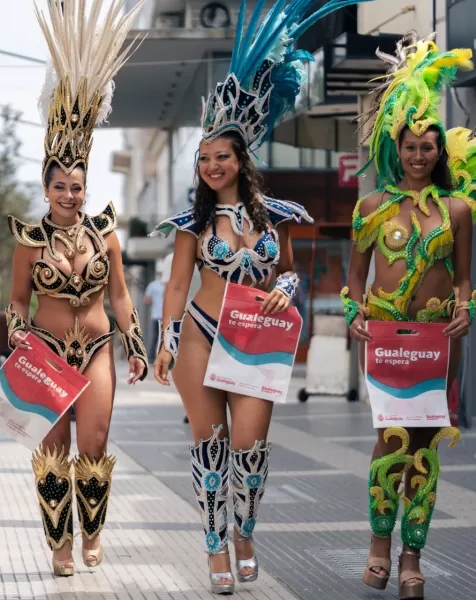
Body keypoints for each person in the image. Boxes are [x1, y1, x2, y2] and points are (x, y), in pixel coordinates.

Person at [149, 1, 373, 594]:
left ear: (241, 158)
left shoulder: (280, 217)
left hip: (256, 343)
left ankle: (245, 531)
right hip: (201, 333)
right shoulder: (191, 226)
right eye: (203, 158)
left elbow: (291, 274)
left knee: (251, 448)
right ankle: (215, 547)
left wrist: (288, 293)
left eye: (221, 155)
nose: (211, 164)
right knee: (210, 445)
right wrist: (167, 342)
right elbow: (176, 286)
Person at [6, 0, 148, 578]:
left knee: (94, 443)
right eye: (61, 186)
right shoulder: (27, 238)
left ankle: (93, 535)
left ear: (87, 188)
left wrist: (135, 343)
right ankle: (59, 547)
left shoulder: (105, 234)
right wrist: (17, 333)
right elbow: (17, 299)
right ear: (46, 188)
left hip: (95, 352)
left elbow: (117, 296)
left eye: (77, 186)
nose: (70, 194)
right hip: (44, 352)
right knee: (52, 452)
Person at [342, 33, 474, 599]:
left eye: (429, 148)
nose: (420, 156)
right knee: (388, 440)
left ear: (441, 153)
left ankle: (412, 555)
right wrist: (354, 312)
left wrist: (466, 309)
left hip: (440, 341)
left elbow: (465, 277)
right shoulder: (371, 207)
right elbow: (355, 275)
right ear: (397, 149)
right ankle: (378, 544)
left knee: (425, 444)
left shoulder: (460, 210)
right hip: (389, 340)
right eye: (411, 147)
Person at [143, 270, 166, 361]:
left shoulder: (154, 285)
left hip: (162, 315)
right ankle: (152, 358)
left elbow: (147, 300)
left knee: (159, 337)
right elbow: (147, 300)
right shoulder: (154, 285)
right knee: (157, 337)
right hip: (158, 315)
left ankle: (155, 358)